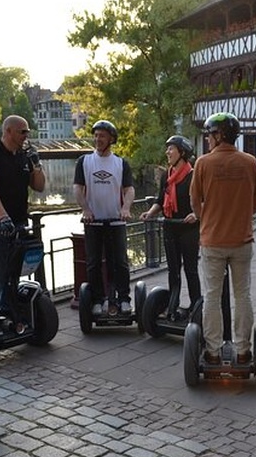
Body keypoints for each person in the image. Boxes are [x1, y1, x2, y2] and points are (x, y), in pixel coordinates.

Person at [190, 112, 256, 365]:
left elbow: (195, 202)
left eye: (210, 135)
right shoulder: (250, 162)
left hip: (212, 241)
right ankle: (244, 350)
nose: (208, 139)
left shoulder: (202, 164)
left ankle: (212, 351)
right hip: (242, 241)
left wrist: (208, 219)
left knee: (212, 295)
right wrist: (240, 216)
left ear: (219, 135)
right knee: (242, 294)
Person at [0, 115, 46, 317]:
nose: (26, 136)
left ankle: (9, 311)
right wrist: (3, 218)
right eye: (22, 131)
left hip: (20, 222)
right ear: (8, 131)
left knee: (14, 272)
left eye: (27, 132)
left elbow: (39, 187)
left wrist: (37, 164)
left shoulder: (24, 156)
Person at [74, 120, 135, 316]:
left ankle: (123, 298)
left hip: (116, 221)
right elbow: (77, 188)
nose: (97, 139)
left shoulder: (120, 163)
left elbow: (129, 189)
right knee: (93, 263)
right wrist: (85, 209)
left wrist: (126, 208)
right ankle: (98, 300)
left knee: (120, 261)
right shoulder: (84, 162)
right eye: (96, 135)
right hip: (94, 221)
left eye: (101, 136)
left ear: (111, 139)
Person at [140, 135, 200, 319]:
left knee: (190, 269)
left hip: (188, 228)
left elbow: (202, 201)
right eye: (167, 148)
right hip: (170, 226)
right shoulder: (167, 174)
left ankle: (195, 306)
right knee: (173, 270)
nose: (167, 152)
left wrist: (196, 214)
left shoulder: (193, 176)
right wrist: (150, 213)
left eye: (171, 148)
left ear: (182, 153)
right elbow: (160, 200)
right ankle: (172, 305)